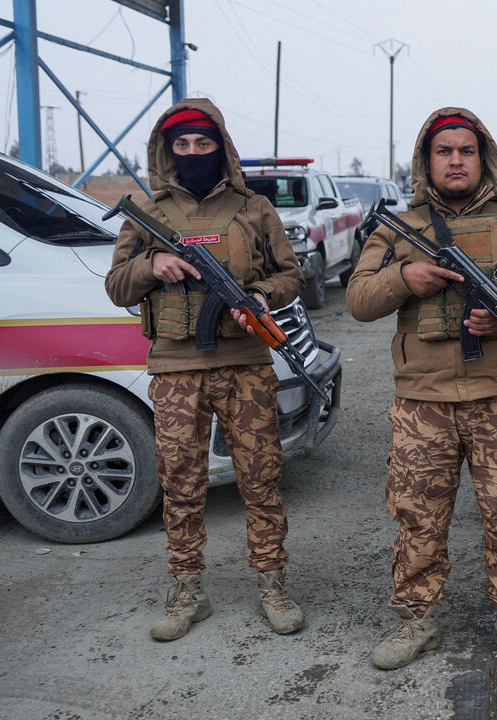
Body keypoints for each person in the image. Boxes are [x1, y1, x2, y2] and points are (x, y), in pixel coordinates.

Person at [347, 108, 497, 672]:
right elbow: (358, 299)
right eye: (444, 151)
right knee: (418, 514)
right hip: (423, 400)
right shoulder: (398, 227)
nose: (455, 161)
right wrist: (405, 278)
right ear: (426, 161)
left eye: (466, 151)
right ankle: (415, 618)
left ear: (483, 159)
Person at [104, 99, 307, 641]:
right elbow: (116, 286)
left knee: (261, 476)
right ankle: (187, 589)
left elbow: (292, 275)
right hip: (175, 368)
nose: (193, 152)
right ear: (167, 151)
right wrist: (151, 263)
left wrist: (259, 296)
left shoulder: (254, 208)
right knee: (180, 481)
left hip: (246, 366)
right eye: (182, 144)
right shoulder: (145, 212)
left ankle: (272, 582)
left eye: (204, 143)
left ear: (221, 147)